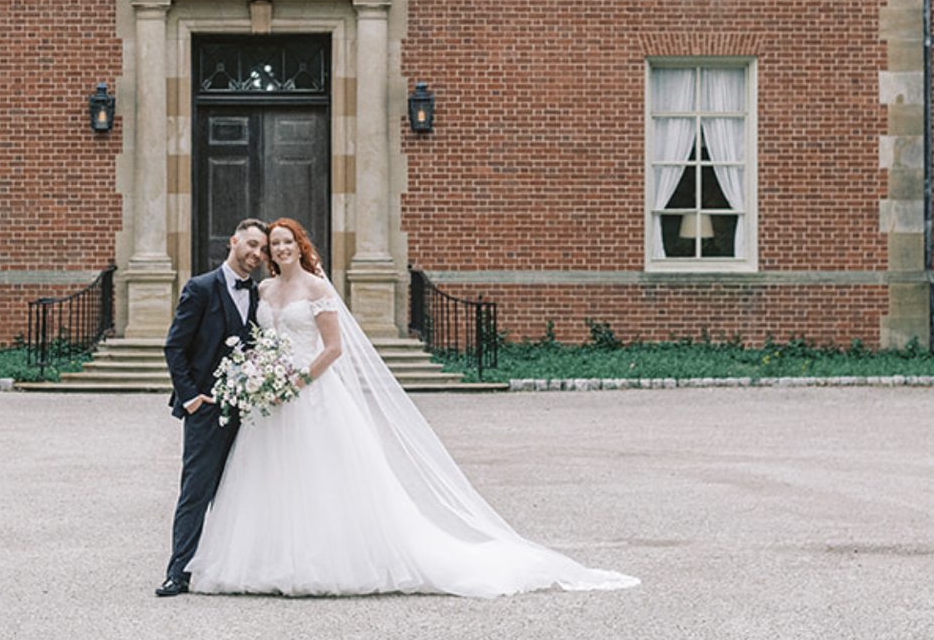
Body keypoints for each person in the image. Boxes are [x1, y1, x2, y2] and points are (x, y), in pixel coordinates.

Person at [186, 217, 637, 598]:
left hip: (313, 395)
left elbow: (334, 348)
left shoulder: (317, 287)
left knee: (319, 478)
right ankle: (264, 563)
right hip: (273, 401)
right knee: (269, 477)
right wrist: (264, 377)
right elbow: (260, 342)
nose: (280, 249)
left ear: (299, 246)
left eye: (287, 242)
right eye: (273, 244)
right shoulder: (264, 290)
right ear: (264, 252)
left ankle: (321, 562)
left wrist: (298, 380)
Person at [158, 216, 268, 596]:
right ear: (233, 241)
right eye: (251, 244)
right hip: (206, 408)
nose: (257, 254)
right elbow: (175, 347)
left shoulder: (259, 294)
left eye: (262, 249)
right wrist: (191, 399)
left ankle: (231, 565)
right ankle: (178, 571)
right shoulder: (200, 288)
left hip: (248, 411)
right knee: (196, 491)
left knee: (241, 490)